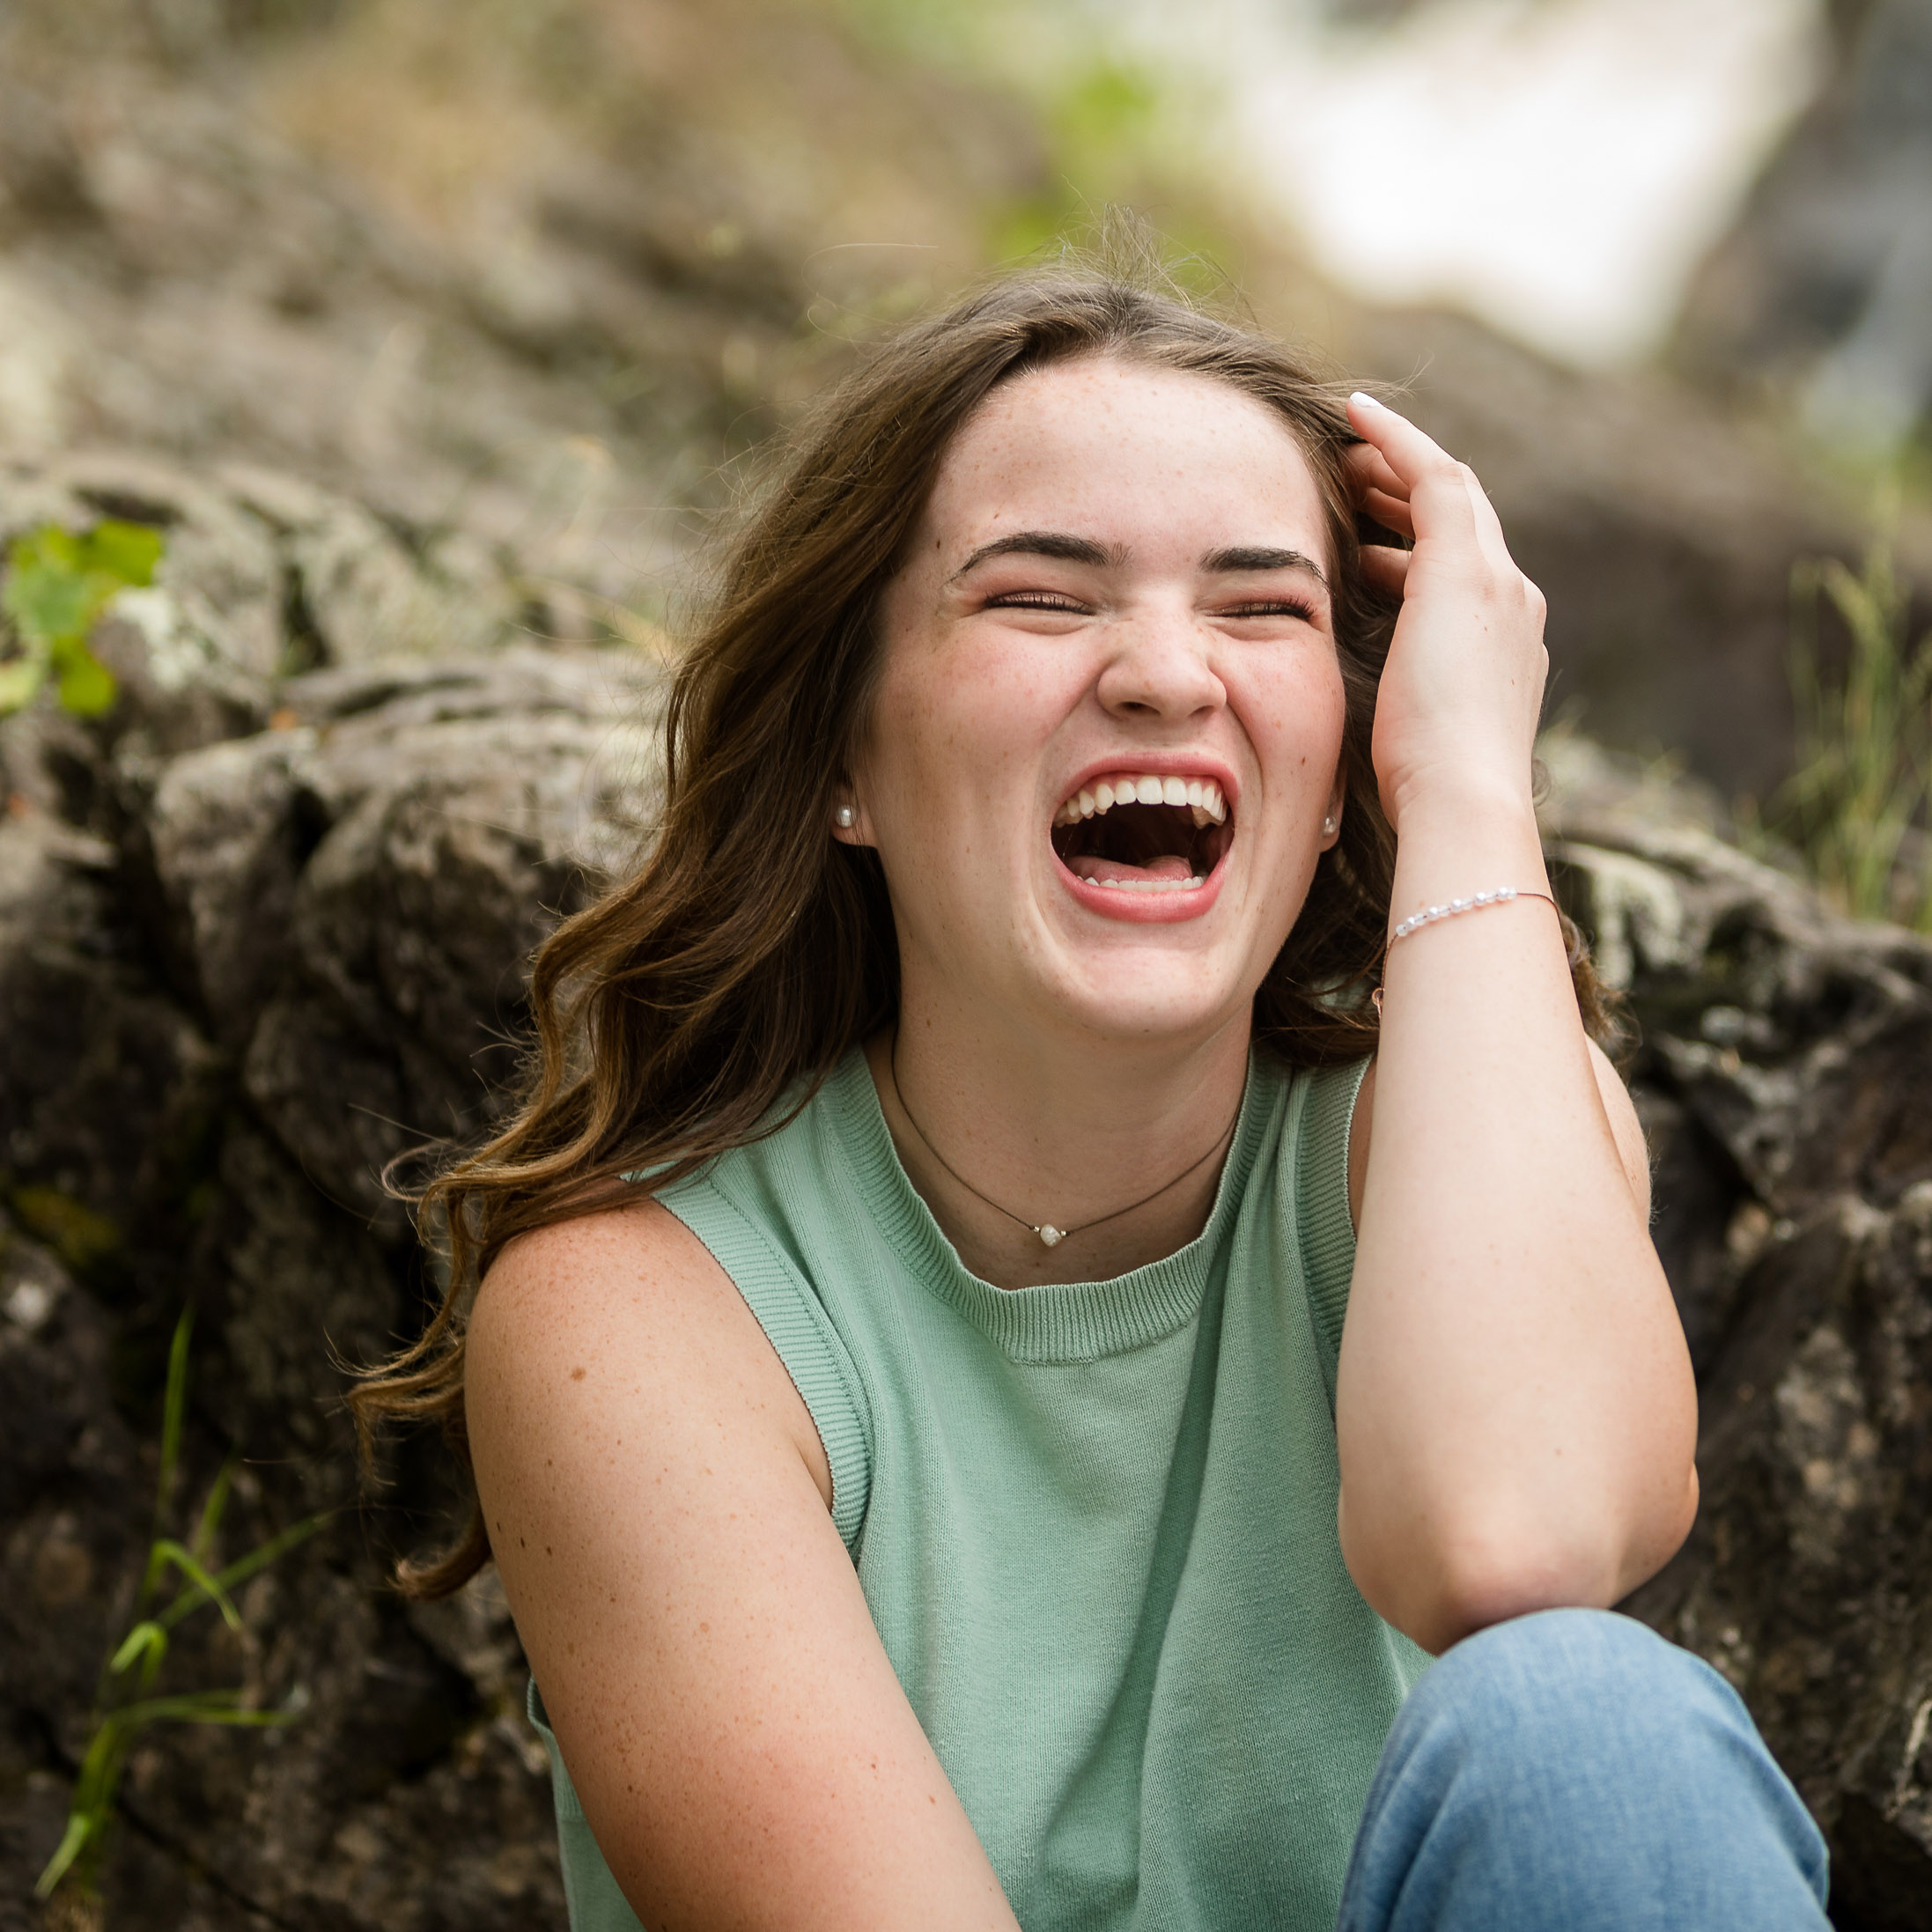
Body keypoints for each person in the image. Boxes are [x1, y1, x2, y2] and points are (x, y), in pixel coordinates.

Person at [353, 263, 1833, 1930]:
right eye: (1040, 599)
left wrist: (1471, 790)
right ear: (842, 758)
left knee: (1586, 1730)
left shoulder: (1458, 1134)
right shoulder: (638, 1321)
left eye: (1261, 609)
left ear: (1341, 757)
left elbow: (1506, 1541)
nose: (1161, 672)